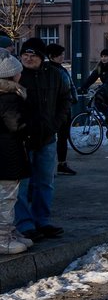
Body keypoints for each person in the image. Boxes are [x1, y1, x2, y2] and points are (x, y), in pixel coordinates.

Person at [15, 38, 71, 241]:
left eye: (33, 56)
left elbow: (65, 99)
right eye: (25, 55)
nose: (28, 59)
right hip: (22, 139)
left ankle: (43, 220)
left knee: (45, 182)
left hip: (47, 137)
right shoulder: (16, 75)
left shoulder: (54, 75)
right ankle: (24, 223)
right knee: (22, 184)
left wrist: (56, 123)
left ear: (42, 57)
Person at [0, 51, 30, 254]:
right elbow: (16, 125)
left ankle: (8, 232)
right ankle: (3, 238)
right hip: (7, 153)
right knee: (7, 197)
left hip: (6, 152)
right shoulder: (10, 98)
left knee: (7, 196)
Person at [47, 44, 79, 177]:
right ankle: (53, 166)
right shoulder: (50, 71)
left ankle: (62, 163)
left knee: (62, 138)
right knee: (54, 139)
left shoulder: (61, 69)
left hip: (65, 108)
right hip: (57, 109)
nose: (62, 56)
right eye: (59, 54)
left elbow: (69, 86)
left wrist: (73, 98)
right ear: (52, 56)